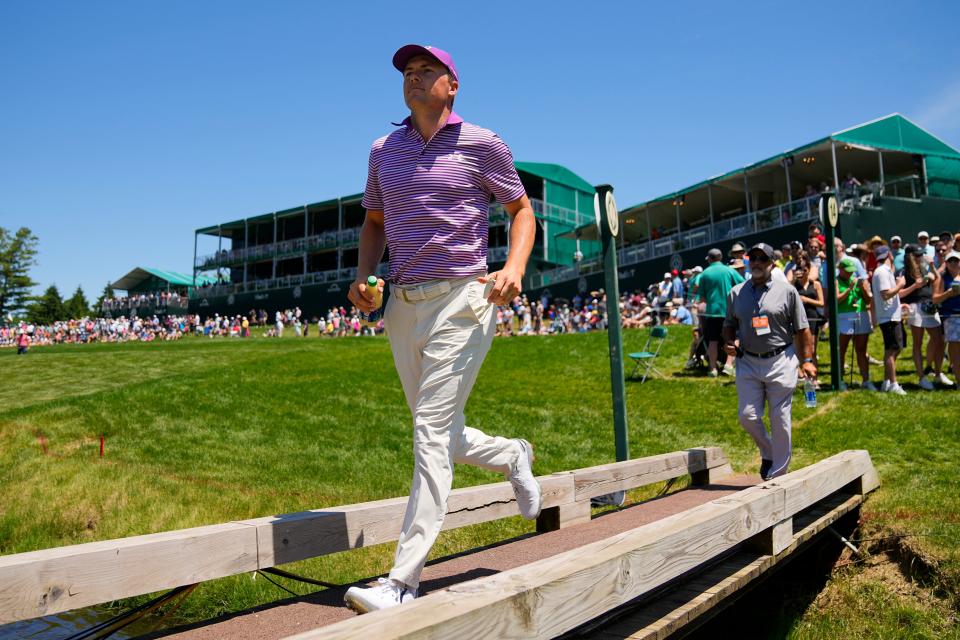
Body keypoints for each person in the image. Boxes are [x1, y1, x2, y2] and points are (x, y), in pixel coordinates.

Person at [344, 44, 541, 614]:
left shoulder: (483, 143)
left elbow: (521, 211)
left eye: (426, 70)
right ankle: (511, 454)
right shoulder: (384, 150)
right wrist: (364, 278)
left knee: (429, 433)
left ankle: (402, 582)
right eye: (408, 72)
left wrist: (513, 269)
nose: (414, 77)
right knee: (441, 434)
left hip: (464, 299)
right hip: (403, 306)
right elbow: (374, 221)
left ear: (452, 86)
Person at [723, 243, 816, 480]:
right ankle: (768, 451)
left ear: (772, 264)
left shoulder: (787, 291)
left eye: (761, 259)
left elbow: (803, 329)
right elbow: (729, 325)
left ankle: (779, 473)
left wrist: (806, 360)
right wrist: (730, 341)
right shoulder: (736, 292)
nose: (756, 263)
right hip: (748, 362)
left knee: (780, 419)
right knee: (747, 416)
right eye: (752, 258)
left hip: (781, 360)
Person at [901, 245, 948, 390]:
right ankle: (922, 377)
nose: (920, 257)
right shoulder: (904, 272)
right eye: (917, 255)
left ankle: (936, 372)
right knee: (917, 343)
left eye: (921, 255)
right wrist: (916, 285)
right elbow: (901, 292)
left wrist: (932, 265)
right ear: (910, 256)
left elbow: (936, 278)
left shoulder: (923, 268)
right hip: (915, 307)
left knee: (939, 339)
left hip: (929, 306)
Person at [698, 248, 744, 377]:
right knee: (732, 339)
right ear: (720, 257)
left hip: (712, 313)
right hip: (728, 311)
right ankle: (728, 366)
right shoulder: (729, 270)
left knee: (713, 341)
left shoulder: (704, 274)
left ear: (710, 258)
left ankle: (712, 369)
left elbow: (702, 299)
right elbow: (744, 285)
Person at [870, 246, 907, 395]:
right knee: (893, 350)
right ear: (889, 255)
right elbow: (885, 295)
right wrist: (900, 285)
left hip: (891, 316)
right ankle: (893, 384)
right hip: (889, 318)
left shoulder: (883, 271)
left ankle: (886, 381)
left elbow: (890, 295)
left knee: (892, 349)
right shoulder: (882, 272)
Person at [836, 257, 875, 389]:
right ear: (840, 270)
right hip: (843, 317)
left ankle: (866, 380)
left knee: (861, 349)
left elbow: (868, 301)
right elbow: (836, 300)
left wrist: (863, 289)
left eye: (852, 271)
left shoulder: (858, 280)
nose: (850, 274)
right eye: (847, 271)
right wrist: (849, 289)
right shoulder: (836, 281)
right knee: (841, 350)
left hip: (861, 315)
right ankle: (839, 379)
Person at [932, 250, 960, 387]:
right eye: (951, 261)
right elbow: (935, 299)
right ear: (946, 263)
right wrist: (948, 293)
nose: (954, 263)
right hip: (950, 317)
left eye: (956, 260)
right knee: (955, 352)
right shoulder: (942, 278)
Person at [793, 254, 824, 375]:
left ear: (809, 270)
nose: (802, 273)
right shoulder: (794, 286)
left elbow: (821, 303)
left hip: (812, 318)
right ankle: (802, 374)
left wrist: (806, 300)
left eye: (805, 270)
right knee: (799, 349)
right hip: (798, 319)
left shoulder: (815, 284)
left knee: (812, 349)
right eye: (800, 270)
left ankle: (813, 376)